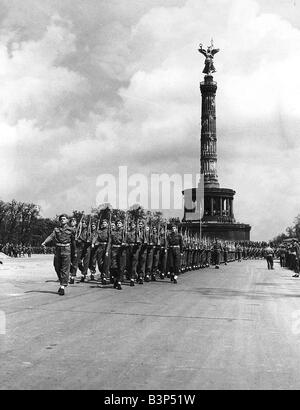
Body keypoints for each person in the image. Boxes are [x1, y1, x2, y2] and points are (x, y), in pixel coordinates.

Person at [42, 214, 75, 296]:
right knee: (56, 267)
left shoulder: (71, 230)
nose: (62, 220)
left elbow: (73, 242)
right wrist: (45, 242)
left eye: (64, 219)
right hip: (58, 250)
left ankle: (62, 286)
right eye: (61, 219)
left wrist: (74, 253)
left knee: (65, 268)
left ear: (67, 220)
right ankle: (62, 282)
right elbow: (51, 236)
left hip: (66, 250)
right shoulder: (56, 229)